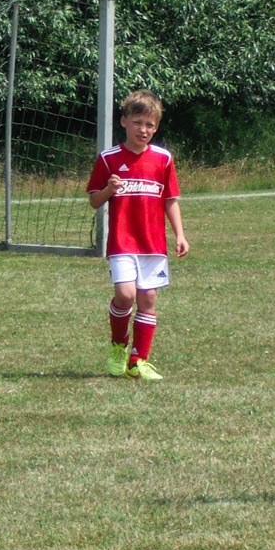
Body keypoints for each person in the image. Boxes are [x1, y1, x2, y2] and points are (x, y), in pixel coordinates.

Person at [86, 89, 189, 381]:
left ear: (156, 128)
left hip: (152, 243)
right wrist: (109, 189)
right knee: (125, 295)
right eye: (137, 123)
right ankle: (118, 345)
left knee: (148, 298)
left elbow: (170, 200)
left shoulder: (163, 159)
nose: (143, 130)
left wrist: (180, 235)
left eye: (149, 125)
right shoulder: (108, 159)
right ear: (124, 122)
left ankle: (138, 361)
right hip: (122, 242)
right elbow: (94, 200)